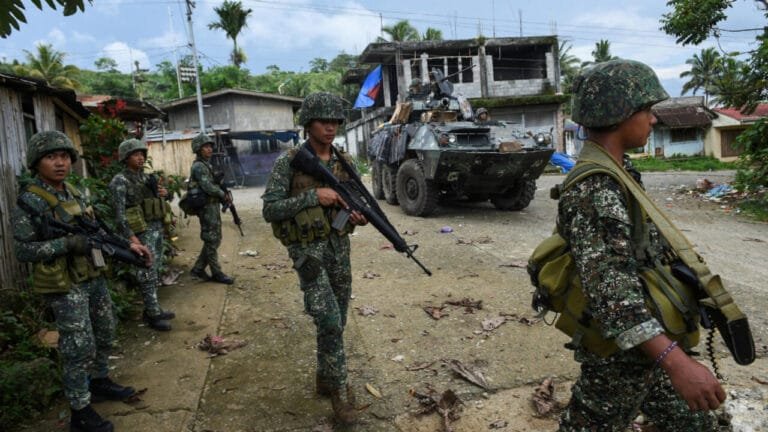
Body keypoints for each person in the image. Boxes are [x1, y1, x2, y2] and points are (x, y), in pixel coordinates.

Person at [557, 59, 725, 431]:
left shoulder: (620, 171)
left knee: (696, 424)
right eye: (646, 110)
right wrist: (676, 361)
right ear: (620, 112)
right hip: (620, 355)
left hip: (647, 345)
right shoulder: (595, 189)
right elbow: (611, 294)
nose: (653, 120)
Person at [12, 131, 151, 432]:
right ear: (37, 162)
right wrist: (66, 245)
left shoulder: (73, 192)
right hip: (65, 284)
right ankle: (80, 410)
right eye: (51, 157)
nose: (60, 163)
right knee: (78, 345)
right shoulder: (30, 201)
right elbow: (23, 250)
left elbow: (97, 231)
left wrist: (130, 246)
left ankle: (99, 381)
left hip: (91, 274)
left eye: (64, 157)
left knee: (105, 330)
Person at [262, 92, 368, 424]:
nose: (330, 127)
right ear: (309, 124)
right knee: (329, 319)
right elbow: (270, 209)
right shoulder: (289, 161)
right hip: (308, 251)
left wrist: (357, 215)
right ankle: (339, 394)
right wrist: (313, 196)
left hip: (339, 247)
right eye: (324, 121)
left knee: (338, 318)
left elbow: (357, 200)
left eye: (335, 121)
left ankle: (325, 377)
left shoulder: (344, 160)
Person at [109, 138, 175, 331]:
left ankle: (153, 308)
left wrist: (164, 193)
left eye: (142, 154)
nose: (140, 158)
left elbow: (161, 200)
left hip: (154, 229)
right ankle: (153, 315)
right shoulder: (119, 181)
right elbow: (119, 215)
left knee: (154, 271)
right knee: (146, 272)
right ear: (125, 157)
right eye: (135, 154)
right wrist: (132, 238)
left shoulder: (146, 178)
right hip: (140, 233)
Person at [188, 133, 234, 285]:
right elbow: (207, 186)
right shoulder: (199, 167)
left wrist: (223, 195)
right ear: (198, 149)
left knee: (214, 239)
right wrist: (222, 194)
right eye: (205, 147)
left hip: (212, 206)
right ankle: (217, 272)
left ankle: (198, 268)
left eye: (210, 146)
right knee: (211, 239)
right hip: (206, 207)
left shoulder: (207, 165)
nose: (209, 149)